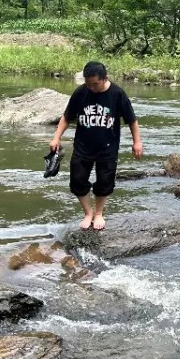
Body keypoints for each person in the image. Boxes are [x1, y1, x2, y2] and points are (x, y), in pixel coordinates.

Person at [50, 61, 142, 231]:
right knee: (77, 180)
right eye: (88, 84)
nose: (91, 88)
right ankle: (88, 213)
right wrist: (56, 138)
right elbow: (66, 117)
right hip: (82, 145)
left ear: (105, 78)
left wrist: (137, 142)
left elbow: (131, 120)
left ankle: (98, 213)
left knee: (104, 181)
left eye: (95, 84)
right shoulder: (81, 92)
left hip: (108, 146)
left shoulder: (117, 94)